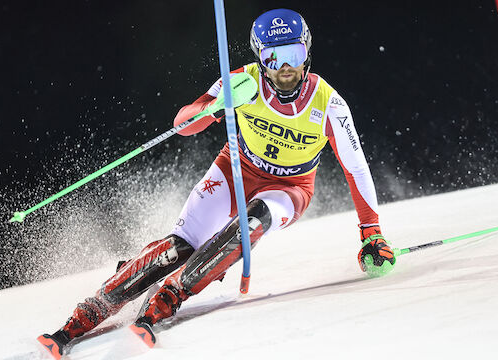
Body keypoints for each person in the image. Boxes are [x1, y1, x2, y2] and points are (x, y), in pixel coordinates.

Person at [38, 8, 395, 356]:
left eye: (293, 53)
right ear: (260, 57)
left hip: (289, 188)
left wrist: (371, 233)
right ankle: (86, 315)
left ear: (307, 53)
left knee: (251, 223)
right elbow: (183, 123)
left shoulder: (329, 105)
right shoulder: (242, 81)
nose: (285, 66)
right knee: (178, 248)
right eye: (273, 57)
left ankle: (167, 300)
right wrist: (215, 106)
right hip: (235, 169)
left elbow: (357, 169)